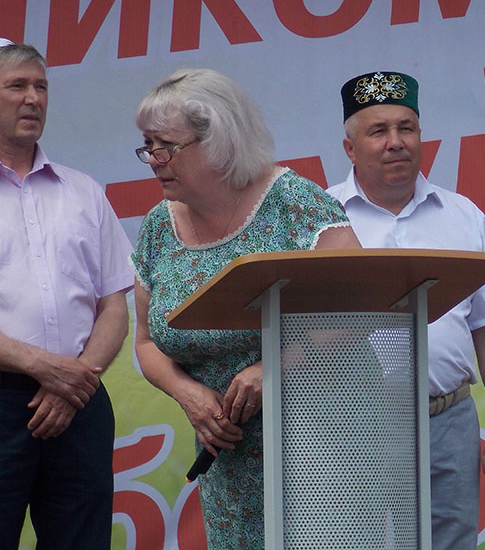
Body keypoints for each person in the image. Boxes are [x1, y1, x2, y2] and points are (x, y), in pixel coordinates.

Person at [130, 68, 361, 550]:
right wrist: (187, 394)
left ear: (219, 141)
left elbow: (358, 306)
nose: (153, 160)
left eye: (165, 146)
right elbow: (147, 343)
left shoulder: (294, 204)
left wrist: (276, 366)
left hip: (326, 446)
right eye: (147, 146)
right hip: (229, 463)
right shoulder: (157, 228)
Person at [327, 70, 485, 549]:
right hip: (349, 426)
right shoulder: (320, 217)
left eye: (407, 128)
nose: (396, 142)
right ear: (350, 149)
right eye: (378, 131)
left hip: (446, 420)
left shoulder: (462, 216)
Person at [0, 39, 133, 550]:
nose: (33, 98)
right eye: (17, 86)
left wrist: (74, 379)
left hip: (80, 400)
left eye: (41, 87)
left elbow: (113, 304)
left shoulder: (83, 192)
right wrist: (44, 368)